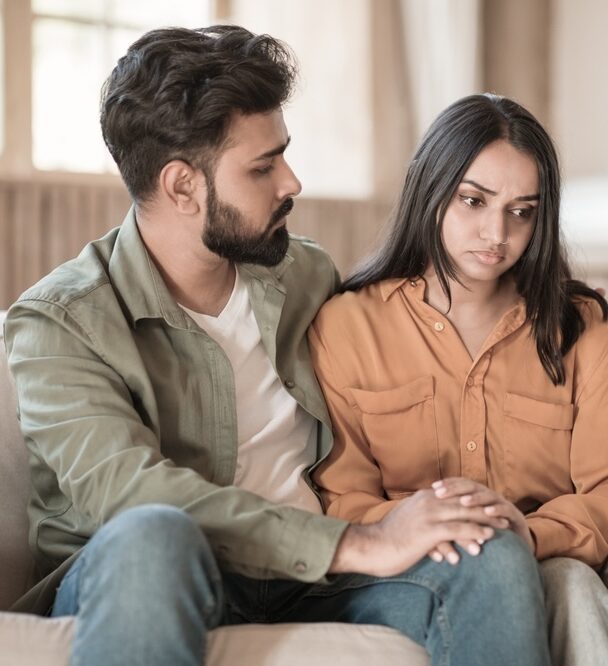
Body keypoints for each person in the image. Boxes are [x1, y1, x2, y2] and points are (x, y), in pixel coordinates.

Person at [3, 26, 559, 666]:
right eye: (263, 167)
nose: (292, 182)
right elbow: (127, 493)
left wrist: (568, 326)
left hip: (314, 584)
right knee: (152, 534)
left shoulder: (305, 276)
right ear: (183, 186)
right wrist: (356, 543)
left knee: (484, 545)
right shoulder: (59, 322)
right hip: (164, 576)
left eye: (283, 156)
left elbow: (417, 325)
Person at [309, 94, 608, 666]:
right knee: (566, 588)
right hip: (452, 567)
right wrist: (451, 522)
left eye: (521, 211)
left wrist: (529, 533)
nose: (496, 233)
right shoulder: (347, 326)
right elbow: (343, 500)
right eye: (473, 201)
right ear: (430, 190)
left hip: (571, 547)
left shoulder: (581, 325)